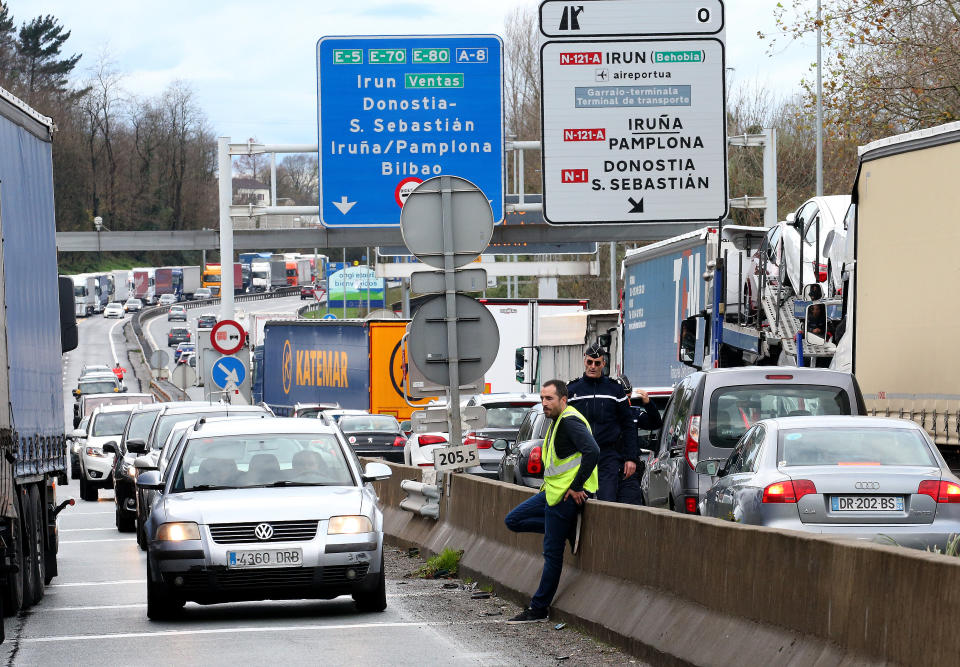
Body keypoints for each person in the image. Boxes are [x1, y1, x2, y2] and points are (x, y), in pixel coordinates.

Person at [504, 379, 598, 624]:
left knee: (552, 553)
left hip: (566, 496)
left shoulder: (570, 421)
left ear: (563, 400)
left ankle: (538, 609)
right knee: (513, 520)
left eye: (549, 399)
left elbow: (593, 451)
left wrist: (577, 487)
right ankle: (565, 529)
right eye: (542, 398)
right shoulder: (557, 421)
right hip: (552, 493)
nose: (544, 403)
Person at [567, 343, 644, 504]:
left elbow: (628, 425)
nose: (593, 367)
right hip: (580, 455)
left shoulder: (614, 390)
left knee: (607, 502)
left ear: (603, 363)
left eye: (597, 363)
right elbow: (563, 426)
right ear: (584, 361)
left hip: (607, 456)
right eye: (590, 362)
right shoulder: (573, 390)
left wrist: (631, 458)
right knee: (577, 502)